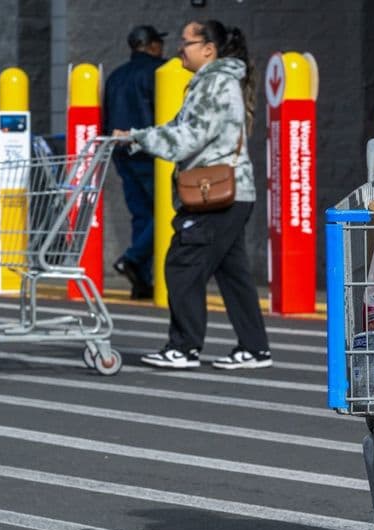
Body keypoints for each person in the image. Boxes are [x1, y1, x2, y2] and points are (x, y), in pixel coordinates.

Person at [118, 20, 272, 371]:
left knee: (181, 265)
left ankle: (184, 347)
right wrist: (137, 135)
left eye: (186, 42)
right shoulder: (212, 82)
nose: (179, 49)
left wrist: (139, 139)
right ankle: (254, 348)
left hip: (213, 194)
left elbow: (189, 137)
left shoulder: (214, 82)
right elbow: (178, 127)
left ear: (208, 49)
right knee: (232, 274)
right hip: (230, 192)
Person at [104, 25, 165, 300]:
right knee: (166, 212)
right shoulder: (160, 72)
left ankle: (142, 281)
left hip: (121, 154)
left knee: (142, 215)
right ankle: (133, 258)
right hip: (150, 153)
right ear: (151, 45)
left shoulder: (116, 76)